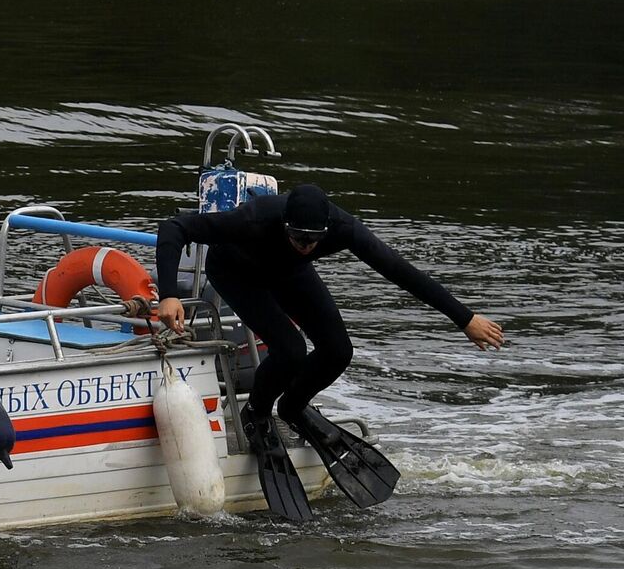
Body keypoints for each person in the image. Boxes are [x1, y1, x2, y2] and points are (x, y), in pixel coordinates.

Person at [152, 183, 504, 447]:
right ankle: (256, 414)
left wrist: (464, 318)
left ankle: (293, 408)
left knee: (338, 350)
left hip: (288, 273)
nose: (305, 245)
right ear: (285, 225)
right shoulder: (256, 218)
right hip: (236, 272)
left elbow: (400, 271)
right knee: (290, 349)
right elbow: (175, 228)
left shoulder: (343, 228)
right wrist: (168, 294)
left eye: (312, 240)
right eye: (297, 237)